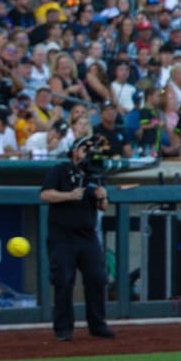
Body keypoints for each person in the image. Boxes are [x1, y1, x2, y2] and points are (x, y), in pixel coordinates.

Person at [39, 135, 114, 342]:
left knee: (98, 278)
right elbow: (45, 195)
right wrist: (69, 196)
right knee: (63, 281)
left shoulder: (95, 175)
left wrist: (103, 196)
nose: (87, 155)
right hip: (62, 237)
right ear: (74, 152)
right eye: (84, 150)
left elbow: (103, 207)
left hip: (87, 237)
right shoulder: (59, 170)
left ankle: (98, 325)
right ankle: (63, 329)